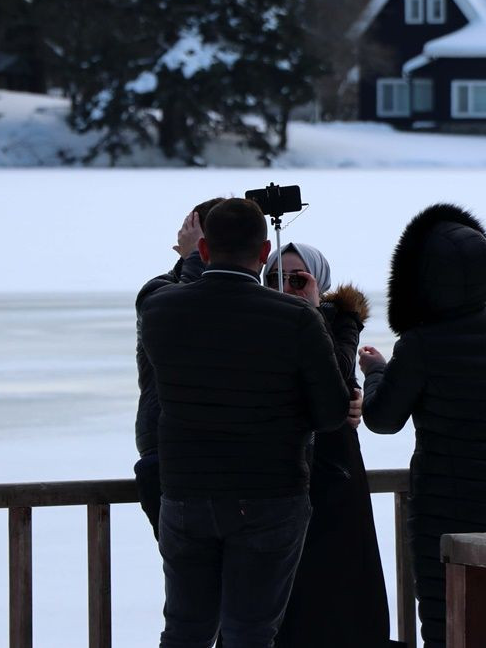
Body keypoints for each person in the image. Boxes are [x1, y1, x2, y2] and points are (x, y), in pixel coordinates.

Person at [140, 198, 350, 648]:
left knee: (185, 629)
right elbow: (331, 414)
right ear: (264, 253)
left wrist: (189, 262)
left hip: (186, 492)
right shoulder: (296, 320)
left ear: (204, 251)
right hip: (270, 494)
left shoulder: (160, 310)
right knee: (250, 633)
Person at [358, 203, 486, 648]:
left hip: (446, 513)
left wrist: (377, 372)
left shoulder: (422, 344)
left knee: (447, 623)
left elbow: (382, 419)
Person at [264, 243, 392, 648]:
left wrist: (314, 309)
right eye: (274, 279)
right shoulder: (255, 319)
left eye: (297, 278)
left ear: (318, 281)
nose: (286, 287)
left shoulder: (338, 319)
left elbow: (335, 383)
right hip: (278, 476)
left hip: (334, 474)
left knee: (339, 584)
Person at [133, 197, 224, 537]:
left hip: (230, 456)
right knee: (191, 578)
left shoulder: (250, 296)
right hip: (168, 454)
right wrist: (195, 260)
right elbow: (187, 326)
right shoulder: (158, 293)